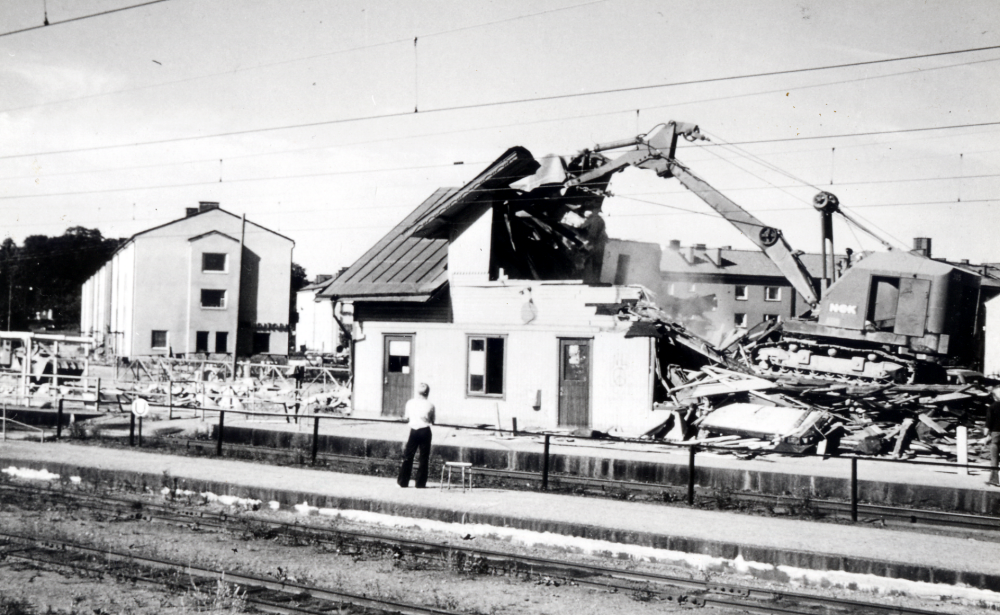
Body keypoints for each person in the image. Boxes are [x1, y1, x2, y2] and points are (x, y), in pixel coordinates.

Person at [397, 383, 435, 488]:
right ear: (428, 393)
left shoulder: (410, 403)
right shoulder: (430, 405)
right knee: (424, 458)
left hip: (413, 431)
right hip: (425, 431)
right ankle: (420, 483)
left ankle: (403, 482)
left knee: (408, 456)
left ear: (417, 392)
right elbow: (432, 420)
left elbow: (407, 417)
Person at [985, 387, 1000, 487]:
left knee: (994, 458)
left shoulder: (992, 407)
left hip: (996, 434)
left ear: (994, 396)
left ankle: (994, 480)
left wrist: (986, 434)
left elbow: (988, 423)